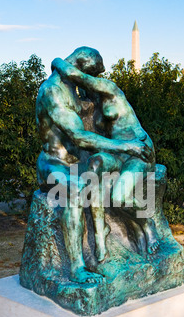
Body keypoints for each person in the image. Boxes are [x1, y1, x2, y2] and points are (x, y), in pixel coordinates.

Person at [36, 47, 152, 284]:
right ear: (79, 68)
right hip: (54, 164)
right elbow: (78, 137)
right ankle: (77, 268)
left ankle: (104, 239)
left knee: (96, 173)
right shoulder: (53, 92)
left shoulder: (72, 88)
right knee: (77, 189)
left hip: (77, 162)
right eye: (91, 75)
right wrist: (125, 147)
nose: (93, 83)